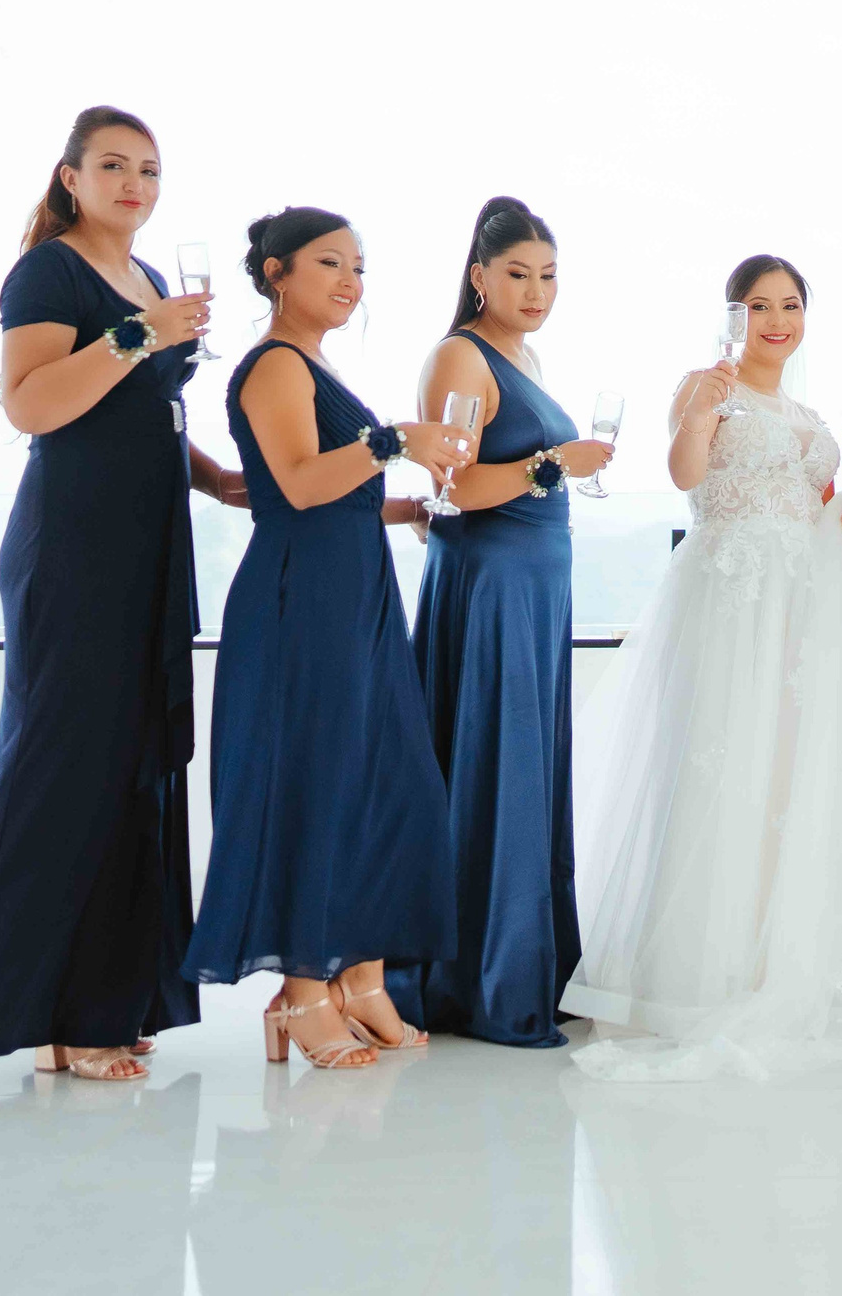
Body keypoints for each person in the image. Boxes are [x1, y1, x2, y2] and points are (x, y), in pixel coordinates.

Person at [0, 105, 236, 1080]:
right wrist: (139, 334)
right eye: (112, 165)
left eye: (148, 168)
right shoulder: (49, 271)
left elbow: (140, 414)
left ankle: (104, 1001)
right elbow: (35, 404)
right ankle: (28, 1009)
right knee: (63, 768)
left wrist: (214, 479)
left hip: (148, 539)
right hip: (75, 547)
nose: (134, 183)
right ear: (69, 178)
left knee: (135, 767)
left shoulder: (149, 278)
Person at [561, 255, 842, 1080]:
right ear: (733, 315)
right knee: (723, 766)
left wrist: (841, 514)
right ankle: (706, 968)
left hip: (798, 609)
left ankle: (779, 958)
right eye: (758, 305)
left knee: (784, 775)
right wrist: (702, 408)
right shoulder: (706, 387)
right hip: (732, 602)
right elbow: (687, 476)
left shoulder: (804, 410)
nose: (776, 320)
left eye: (790, 305)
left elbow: (803, 507)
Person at [182, 208, 470, 1068]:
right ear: (277, 272)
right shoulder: (274, 365)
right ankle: (303, 990)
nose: (350, 279)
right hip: (300, 604)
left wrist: (406, 505)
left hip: (357, 598)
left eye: (359, 266)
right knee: (314, 783)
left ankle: (365, 977)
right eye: (330, 262)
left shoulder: (315, 365)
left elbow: (331, 494)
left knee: (387, 785)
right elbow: (299, 488)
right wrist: (395, 443)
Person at [396, 196, 613, 1047]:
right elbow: (454, 490)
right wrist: (557, 463)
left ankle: (523, 965)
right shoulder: (460, 354)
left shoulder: (523, 353)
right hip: (489, 588)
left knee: (525, 766)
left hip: (533, 588)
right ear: (479, 276)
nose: (536, 289)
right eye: (518, 273)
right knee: (497, 766)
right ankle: (477, 979)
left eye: (549, 275)